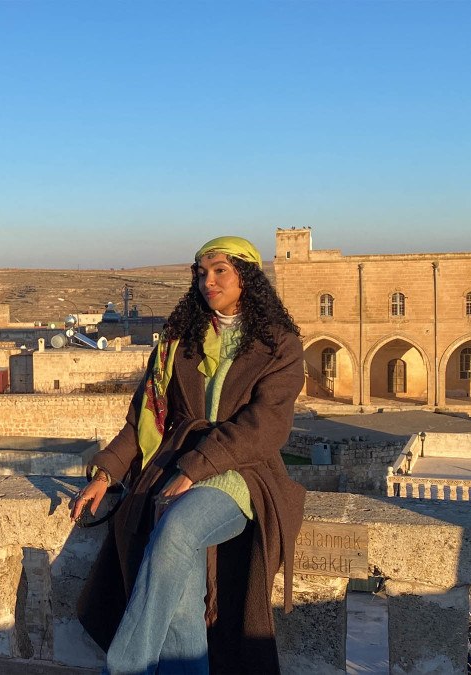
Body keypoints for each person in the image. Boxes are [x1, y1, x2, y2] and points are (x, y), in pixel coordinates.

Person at [71, 236, 306, 674]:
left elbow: (266, 425)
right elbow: (145, 418)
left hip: (243, 474)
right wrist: (105, 473)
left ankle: (125, 667)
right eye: (201, 273)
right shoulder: (178, 342)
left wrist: (196, 468)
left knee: (177, 529)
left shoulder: (280, 345)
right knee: (181, 599)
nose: (207, 281)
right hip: (178, 466)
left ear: (247, 277)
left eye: (220, 271)